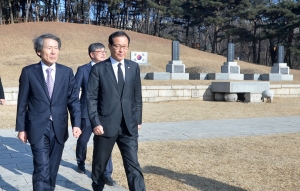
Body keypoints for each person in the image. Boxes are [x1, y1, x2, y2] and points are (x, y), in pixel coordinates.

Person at [15, 33, 82, 191]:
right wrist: (21, 128)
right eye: (49, 48)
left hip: (59, 126)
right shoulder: (29, 72)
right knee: (42, 167)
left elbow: (73, 100)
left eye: (56, 48)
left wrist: (76, 123)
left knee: (52, 167)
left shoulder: (66, 72)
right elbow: (22, 102)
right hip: (37, 127)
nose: (53, 52)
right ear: (39, 51)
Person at [87, 31, 146, 191]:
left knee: (133, 164)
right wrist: (95, 122)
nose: (121, 50)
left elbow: (137, 96)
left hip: (129, 126)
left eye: (125, 47)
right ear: (110, 46)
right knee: (100, 163)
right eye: (118, 46)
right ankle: (97, 188)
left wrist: (138, 120)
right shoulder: (99, 69)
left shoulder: (133, 67)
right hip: (105, 126)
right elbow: (90, 98)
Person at [74, 43, 116, 186]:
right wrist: (77, 116)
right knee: (82, 141)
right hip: (86, 113)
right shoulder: (83, 70)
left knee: (105, 144)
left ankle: (106, 173)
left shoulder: (109, 68)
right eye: (100, 51)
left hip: (104, 114)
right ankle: (80, 162)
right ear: (92, 54)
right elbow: (75, 92)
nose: (104, 54)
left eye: (105, 51)